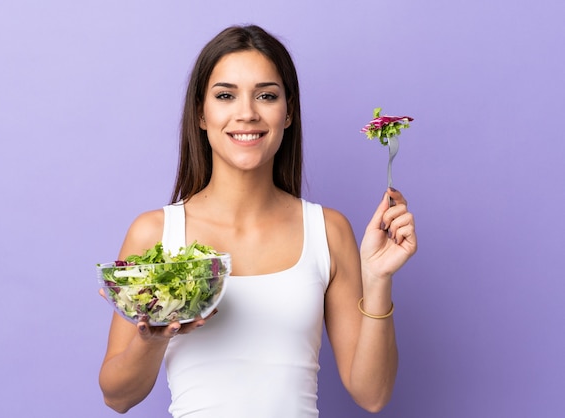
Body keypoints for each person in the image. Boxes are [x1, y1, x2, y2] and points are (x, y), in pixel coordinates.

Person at [99, 24, 417, 417]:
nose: (247, 113)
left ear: (288, 113)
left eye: (266, 96)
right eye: (225, 96)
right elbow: (117, 396)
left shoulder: (328, 231)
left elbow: (372, 394)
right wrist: (153, 337)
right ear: (201, 113)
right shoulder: (155, 234)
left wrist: (377, 278)